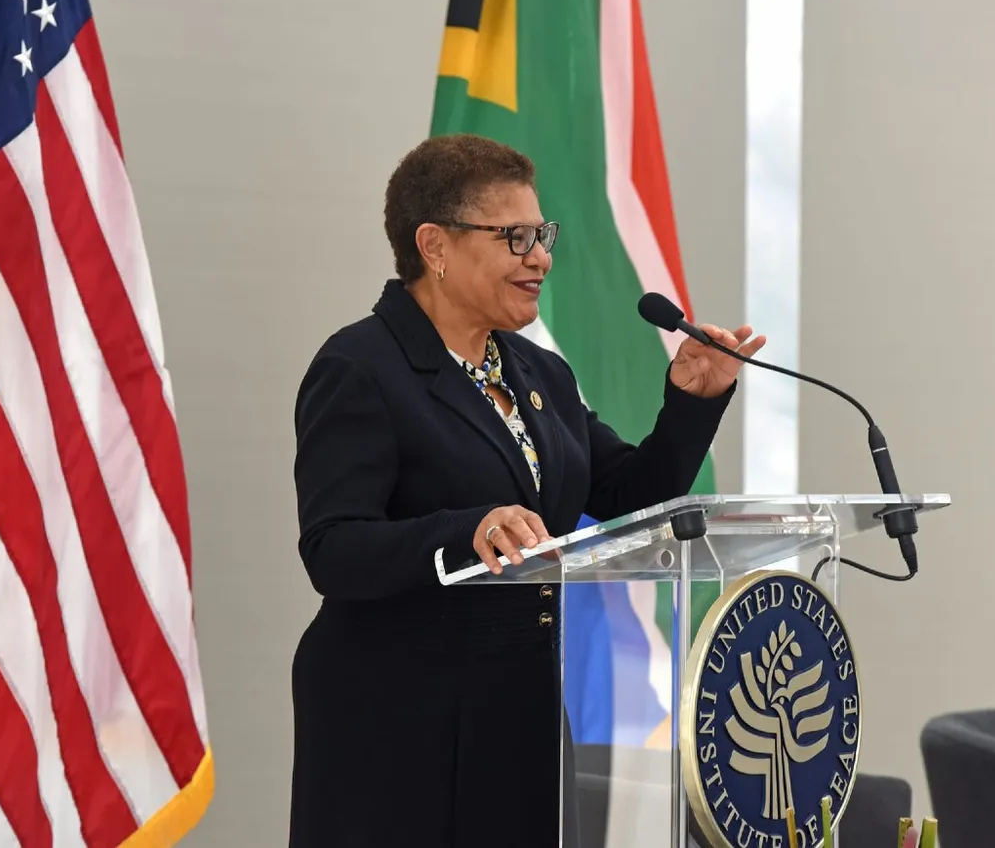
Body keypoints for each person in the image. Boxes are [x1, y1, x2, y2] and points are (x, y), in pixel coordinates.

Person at [288, 133, 763, 847]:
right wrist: (467, 531)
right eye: (515, 237)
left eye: (543, 235)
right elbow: (334, 548)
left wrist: (692, 403)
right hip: (397, 723)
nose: (540, 256)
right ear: (435, 245)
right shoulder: (361, 367)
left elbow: (628, 494)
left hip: (520, 714)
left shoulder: (541, 373)